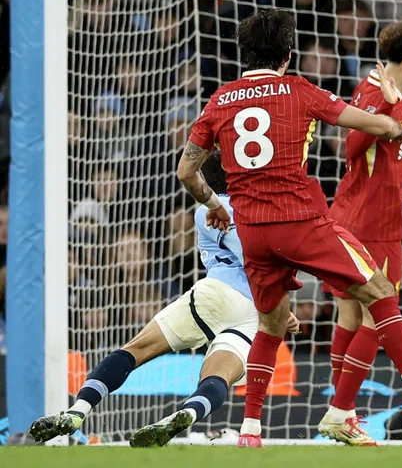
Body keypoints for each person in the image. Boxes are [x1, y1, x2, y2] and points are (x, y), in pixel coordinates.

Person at [176, 9, 402, 448]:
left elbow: (186, 172)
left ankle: (251, 430)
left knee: (271, 323)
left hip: (252, 231)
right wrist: (393, 121)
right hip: (300, 220)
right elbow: (366, 127)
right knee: (379, 292)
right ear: (287, 54)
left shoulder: (219, 100)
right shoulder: (300, 90)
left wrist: (214, 204)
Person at [28, 153, 300, 447]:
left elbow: (246, 251)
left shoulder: (205, 212)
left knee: (136, 350)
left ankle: (76, 411)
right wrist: (280, 305)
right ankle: (187, 413)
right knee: (218, 377)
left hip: (217, 292)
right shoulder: (264, 213)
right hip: (256, 309)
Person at [319, 21, 402, 445]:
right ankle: (341, 411)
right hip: (372, 222)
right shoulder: (378, 93)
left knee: (350, 316)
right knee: (376, 314)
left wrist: (394, 108)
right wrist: (388, 111)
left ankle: (344, 413)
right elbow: (351, 146)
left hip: (360, 214)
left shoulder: (384, 90)